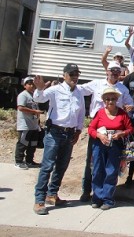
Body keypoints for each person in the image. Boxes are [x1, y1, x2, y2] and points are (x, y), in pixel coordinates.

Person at [32, 63, 86, 215]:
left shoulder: (79, 93)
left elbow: (81, 113)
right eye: (71, 74)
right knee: (47, 166)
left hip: (69, 134)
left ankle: (52, 194)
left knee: (62, 166)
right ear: (64, 75)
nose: (75, 77)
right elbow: (40, 98)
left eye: (77, 74)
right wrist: (40, 88)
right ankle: (39, 200)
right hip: (54, 133)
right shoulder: (55, 90)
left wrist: (78, 130)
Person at [79, 61, 134, 202]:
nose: (115, 72)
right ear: (107, 71)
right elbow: (79, 89)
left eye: (117, 70)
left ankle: (107, 196)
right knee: (92, 164)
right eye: (112, 70)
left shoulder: (122, 89)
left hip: (116, 132)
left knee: (111, 167)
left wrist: (129, 108)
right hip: (98, 129)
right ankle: (87, 191)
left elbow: (130, 104)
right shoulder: (97, 84)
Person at [87, 88, 134, 210]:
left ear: (117, 100)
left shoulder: (122, 114)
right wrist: (100, 136)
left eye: (113, 99)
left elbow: (130, 129)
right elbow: (91, 129)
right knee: (97, 170)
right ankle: (97, 197)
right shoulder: (100, 113)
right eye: (107, 99)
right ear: (103, 101)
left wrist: (121, 134)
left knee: (111, 171)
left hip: (115, 146)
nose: (110, 101)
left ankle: (108, 198)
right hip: (99, 145)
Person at [15, 77, 44, 169]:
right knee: (23, 143)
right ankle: (18, 161)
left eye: (33, 84)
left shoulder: (34, 95)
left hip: (34, 125)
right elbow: (21, 108)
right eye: (29, 83)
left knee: (32, 144)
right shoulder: (23, 95)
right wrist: (35, 112)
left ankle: (29, 161)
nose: (31, 85)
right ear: (24, 85)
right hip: (25, 125)